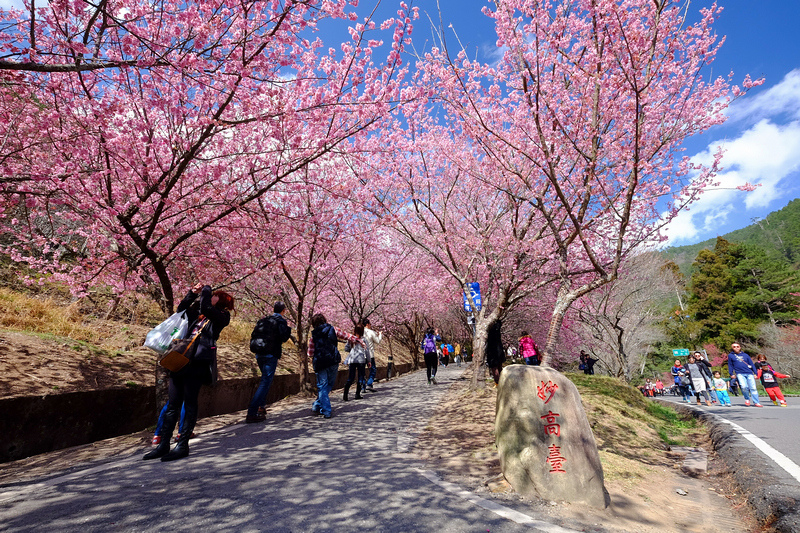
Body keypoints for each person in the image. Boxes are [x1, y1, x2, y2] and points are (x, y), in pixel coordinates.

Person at [144, 283, 234, 461]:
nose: (210, 297)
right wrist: (192, 293)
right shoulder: (198, 314)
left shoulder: (222, 316)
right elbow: (182, 308)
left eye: (215, 296)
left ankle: (182, 444)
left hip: (198, 363)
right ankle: (163, 445)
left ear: (220, 300)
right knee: (172, 403)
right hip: (181, 360)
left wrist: (207, 289)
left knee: (190, 402)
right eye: (211, 295)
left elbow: (207, 307)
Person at [245, 301, 292, 423]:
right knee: (265, 382)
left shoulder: (263, 320)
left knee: (264, 380)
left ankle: (261, 407)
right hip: (270, 354)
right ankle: (252, 412)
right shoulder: (280, 321)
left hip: (259, 353)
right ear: (283, 311)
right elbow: (284, 338)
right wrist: (288, 329)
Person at [308, 313, 362, 419]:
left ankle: (319, 405)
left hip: (320, 363)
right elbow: (347, 336)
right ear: (324, 320)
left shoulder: (313, 335)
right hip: (333, 361)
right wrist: (358, 340)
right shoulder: (333, 329)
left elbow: (310, 352)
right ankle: (325, 409)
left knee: (322, 386)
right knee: (329, 385)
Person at [727, 342, 762, 407]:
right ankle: (747, 398)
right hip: (740, 373)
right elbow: (730, 365)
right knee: (743, 386)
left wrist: (755, 373)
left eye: (737, 346)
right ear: (732, 348)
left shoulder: (745, 355)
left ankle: (756, 402)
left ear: (740, 347)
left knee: (753, 388)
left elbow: (751, 364)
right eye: (734, 347)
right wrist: (731, 373)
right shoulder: (731, 355)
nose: (736, 348)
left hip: (749, 373)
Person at [343, 324, 370, 401]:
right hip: (361, 360)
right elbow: (367, 351)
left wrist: (352, 351)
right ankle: (357, 394)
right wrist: (369, 361)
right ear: (362, 331)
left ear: (354, 330)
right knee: (360, 377)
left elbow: (346, 348)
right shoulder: (364, 340)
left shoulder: (351, 339)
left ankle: (345, 394)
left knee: (351, 378)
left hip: (352, 360)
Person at [362, 318, 382, 392]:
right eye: (370, 324)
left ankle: (362, 387)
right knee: (373, 370)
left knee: (362, 371)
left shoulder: (360, 332)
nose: (370, 325)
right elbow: (377, 341)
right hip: (370, 355)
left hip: (361, 355)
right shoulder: (371, 332)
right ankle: (369, 384)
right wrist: (380, 335)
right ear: (367, 324)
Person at [485, 319, 505, 386]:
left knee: (495, 369)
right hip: (499, 352)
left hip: (492, 353)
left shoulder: (488, 333)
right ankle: (502, 381)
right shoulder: (497, 331)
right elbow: (499, 323)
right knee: (499, 368)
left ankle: (497, 383)